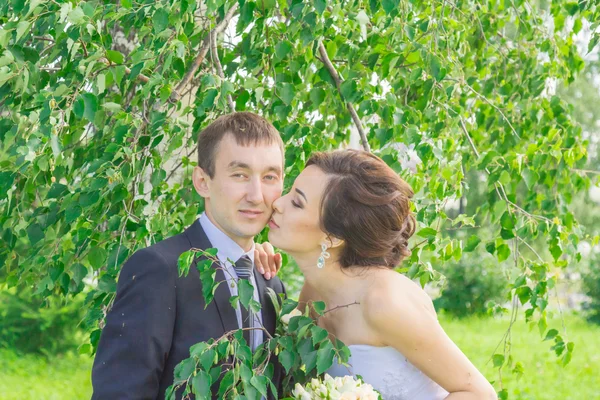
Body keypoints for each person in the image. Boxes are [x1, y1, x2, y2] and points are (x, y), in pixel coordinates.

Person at [256, 149, 497, 400]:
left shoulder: (384, 303)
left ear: (333, 237)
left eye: (297, 202)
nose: (277, 203)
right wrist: (258, 268)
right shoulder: (316, 290)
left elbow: (479, 393)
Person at [91, 112, 286, 400]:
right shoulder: (160, 270)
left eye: (269, 177)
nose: (256, 195)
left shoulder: (271, 283)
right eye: (240, 175)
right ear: (202, 181)